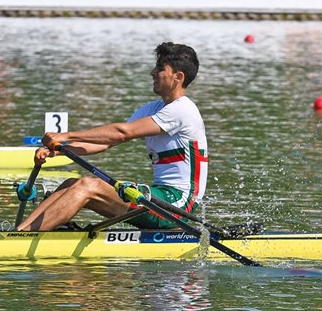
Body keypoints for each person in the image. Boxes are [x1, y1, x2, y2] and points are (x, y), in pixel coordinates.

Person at [16, 42, 208, 231]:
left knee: (87, 186)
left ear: (178, 77)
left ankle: (22, 237)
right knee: (71, 184)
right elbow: (107, 142)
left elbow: (123, 132)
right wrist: (59, 150)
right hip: (160, 196)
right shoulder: (154, 109)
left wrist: (66, 135)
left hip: (177, 206)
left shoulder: (183, 110)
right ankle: (20, 232)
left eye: (159, 68)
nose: (152, 73)